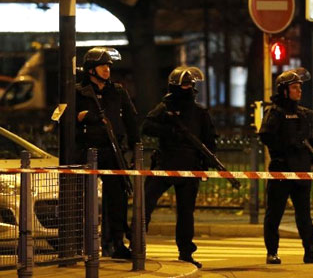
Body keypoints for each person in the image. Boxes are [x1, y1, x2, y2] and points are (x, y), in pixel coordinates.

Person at [142, 66, 216, 269]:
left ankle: (185, 253)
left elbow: (210, 141)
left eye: (189, 84)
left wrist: (205, 164)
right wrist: (169, 131)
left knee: (186, 214)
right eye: (184, 84)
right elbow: (146, 127)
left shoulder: (200, 112)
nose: (188, 88)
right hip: (164, 166)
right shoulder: (164, 108)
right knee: (144, 206)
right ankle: (137, 246)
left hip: (190, 168)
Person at [259, 68, 313, 265]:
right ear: (284, 90)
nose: (299, 91)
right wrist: (286, 146)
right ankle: (272, 252)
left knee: (304, 214)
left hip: (301, 170)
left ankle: (311, 251)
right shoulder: (274, 113)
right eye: (294, 87)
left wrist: (312, 153)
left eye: (300, 87)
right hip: (282, 170)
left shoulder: (303, 114)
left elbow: (309, 139)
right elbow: (266, 137)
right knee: (274, 214)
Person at [75, 47, 139, 259]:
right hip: (87, 152)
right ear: (91, 69)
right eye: (103, 66)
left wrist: (134, 147)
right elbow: (61, 120)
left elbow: (131, 120)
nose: (107, 70)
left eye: (109, 66)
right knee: (83, 199)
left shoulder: (117, 91)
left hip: (113, 151)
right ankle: (80, 243)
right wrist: (83, 117)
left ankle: (116, 243)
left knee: (117, 199)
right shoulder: (78, 91)